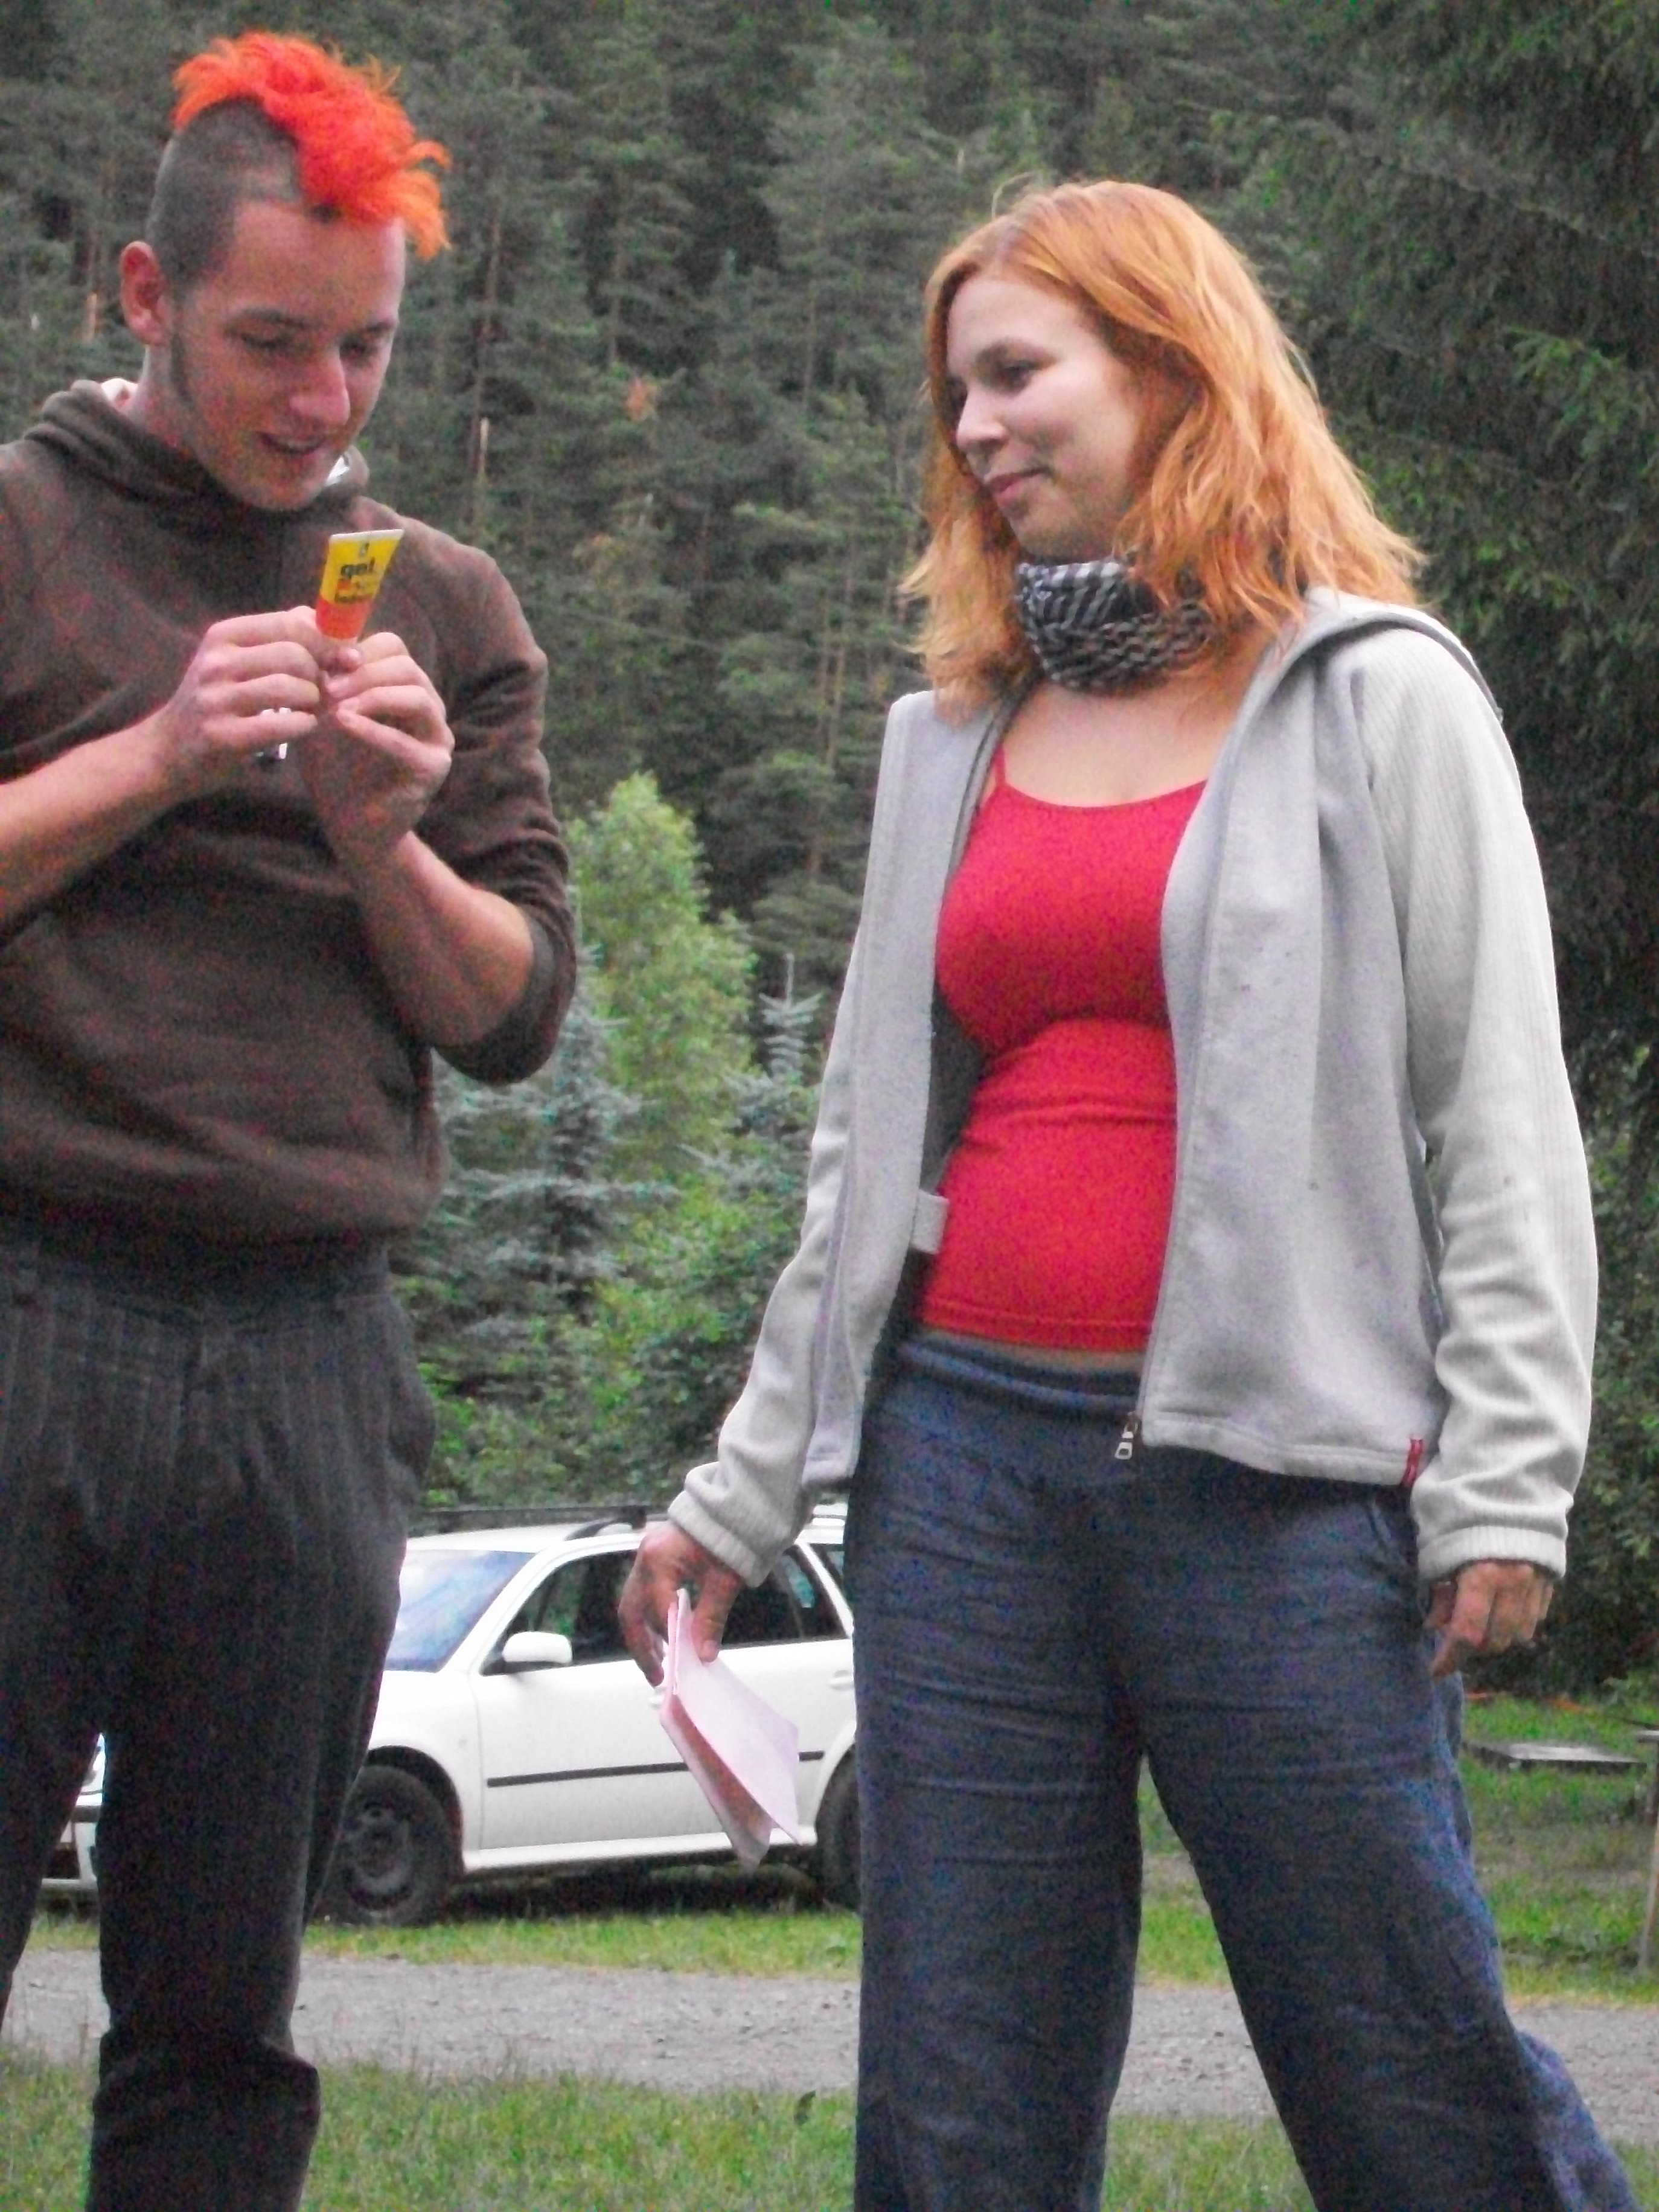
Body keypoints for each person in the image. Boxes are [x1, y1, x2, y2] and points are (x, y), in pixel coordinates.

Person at [620, 181, 1637, 2212]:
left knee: (1406, 2071)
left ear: (1170, 370)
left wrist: (1506, 1482)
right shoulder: (949, 737)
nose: (976, 426)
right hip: (960, 1471)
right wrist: (738, 1489)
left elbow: (1496, 1112)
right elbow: (860, 1154)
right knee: (959, 2102)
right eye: (955, 393)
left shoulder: (1377, 694)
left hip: (1280, 1484)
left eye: (1018, 373)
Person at [0, 34, 574, 2212]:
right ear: (144, 294)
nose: (322, 400)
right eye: (271, 342)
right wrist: (154, 758)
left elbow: (513, 1015)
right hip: (29, 1297)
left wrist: (374, 837)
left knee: (224, 2008)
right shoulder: (22, 528)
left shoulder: (443, 600)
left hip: (313, 1348)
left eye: (366, 348)